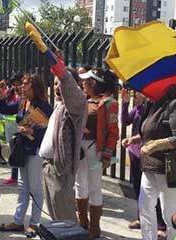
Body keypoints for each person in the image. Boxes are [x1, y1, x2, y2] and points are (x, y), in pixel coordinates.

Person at [123, 85, 176, 240]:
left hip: (167, 169)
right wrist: (135, 139)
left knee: (169, 211)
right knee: (145, 207)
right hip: (148, 167)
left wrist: (155, 146)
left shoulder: (175, 107)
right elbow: (150, 132)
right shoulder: (151, 106)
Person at [0, 73, 52, 238]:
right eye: (23, 83)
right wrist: (1, 95)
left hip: (34, 150)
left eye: (26, 83)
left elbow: (46, 131)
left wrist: (31, 131)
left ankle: (34, 223)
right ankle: (18, 220)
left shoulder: (43, 106)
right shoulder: (22, 102)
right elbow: (6, 109)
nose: (22, 86)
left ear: (34, 87)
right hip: (22, 149)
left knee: (35, 187)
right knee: (22, 186)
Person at [39, 67, 87, 222]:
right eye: (54, 83)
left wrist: (60, 70)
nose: (57, 87)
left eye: (60, 83)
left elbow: (69, 86)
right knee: (55, 213)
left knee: (65, 216)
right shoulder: (59, 106)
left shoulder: (76, 106)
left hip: (61, 169)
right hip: (49, 166)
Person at [75, 68, 119, 239]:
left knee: (94, 187)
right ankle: (82, 222)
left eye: (87, 81)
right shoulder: (84, 100)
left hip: (96, 150)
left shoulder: (109, 103)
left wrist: (107, 154)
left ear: (95, 83)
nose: (84, 84)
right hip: (81, 149)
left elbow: (114, 132)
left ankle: (94, 228)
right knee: (80, 185)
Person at [121, 89, 167, 238]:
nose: (137, 95)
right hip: (134, 153)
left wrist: (141, 105)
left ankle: (161, 224)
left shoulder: (148, 109)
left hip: (146, 154)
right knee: (138, 188)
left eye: (139, 93)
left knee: (153, 191)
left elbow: (145, 129)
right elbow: (125, 120)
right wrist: (126, 103)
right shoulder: (138, 108)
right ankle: (141, 218)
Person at [0, 72, 24, 185]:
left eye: (19, 84)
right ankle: (14, 175)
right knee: (13, 150)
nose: (16, 87)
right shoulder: (17, 98)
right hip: (12, 126)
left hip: (26, 135)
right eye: (14, 84)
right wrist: (1, 95)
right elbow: (6, 109)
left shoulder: (34, 102)